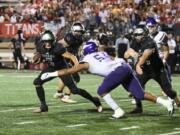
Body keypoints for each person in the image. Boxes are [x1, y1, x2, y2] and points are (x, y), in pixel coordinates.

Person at [41, 41, 174, 119]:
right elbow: (113, 59)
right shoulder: (101, 53)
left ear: (87, 50)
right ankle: (166, 103)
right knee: (139, 94)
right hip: (125, 68)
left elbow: (71, 70)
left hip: (119, 71)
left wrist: (52, 74)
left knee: (101, 90)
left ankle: (118, 110)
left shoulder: (86, 60)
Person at [32, 30, 102, 113]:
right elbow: (37, 56)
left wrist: (76, 66)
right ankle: (43, 106)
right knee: (37, 82)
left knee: (74, 90)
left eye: (49, 41)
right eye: (45, 41)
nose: (47, 43)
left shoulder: (57, 47)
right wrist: (36, 59)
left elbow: (71, 56)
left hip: (62, 69)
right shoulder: (40, 46)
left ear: (53, 41)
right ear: (42, 41)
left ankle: (95, 100)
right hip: (51, 68)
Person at [124, 27, 180, 114]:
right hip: (145, 70)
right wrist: (134, 54)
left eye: (139, 35)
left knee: (168, 91)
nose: (137, 37)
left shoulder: (150, 42)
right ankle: (138, 107)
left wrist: (138, 64)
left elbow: (146, 54)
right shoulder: (135, 41)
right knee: (135, 88)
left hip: (157, 69)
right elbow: (126, 54)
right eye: (136, 35)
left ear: (144, 35)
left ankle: (177, 101)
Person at [53, 22, 85, 103]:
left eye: (81, 31)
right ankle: (66, 96)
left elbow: (78, 49)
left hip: (70, 59)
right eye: (78, 31)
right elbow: (58, 45)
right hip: (65, 59)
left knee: (65, 77)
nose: (80, 33)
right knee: (75, 78)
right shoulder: (69, 37)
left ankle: (58, 93)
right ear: (74, 30)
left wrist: (78, 55)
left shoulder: (80, 39)